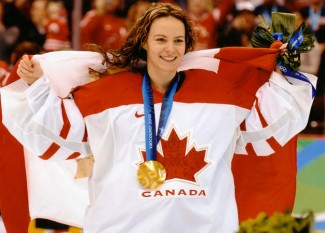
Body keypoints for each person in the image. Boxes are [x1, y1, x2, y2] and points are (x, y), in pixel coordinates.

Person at [1, 3, 317, 233]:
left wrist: (284, 70)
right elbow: (61, 132)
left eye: (178, 40)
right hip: (122, 227)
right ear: (143, 42)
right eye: (161, 39)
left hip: (203, 228)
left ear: (188, 45)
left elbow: (265, 125)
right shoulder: (104, 93)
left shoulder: (221, 92)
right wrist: (38, 86)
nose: (170, 49)